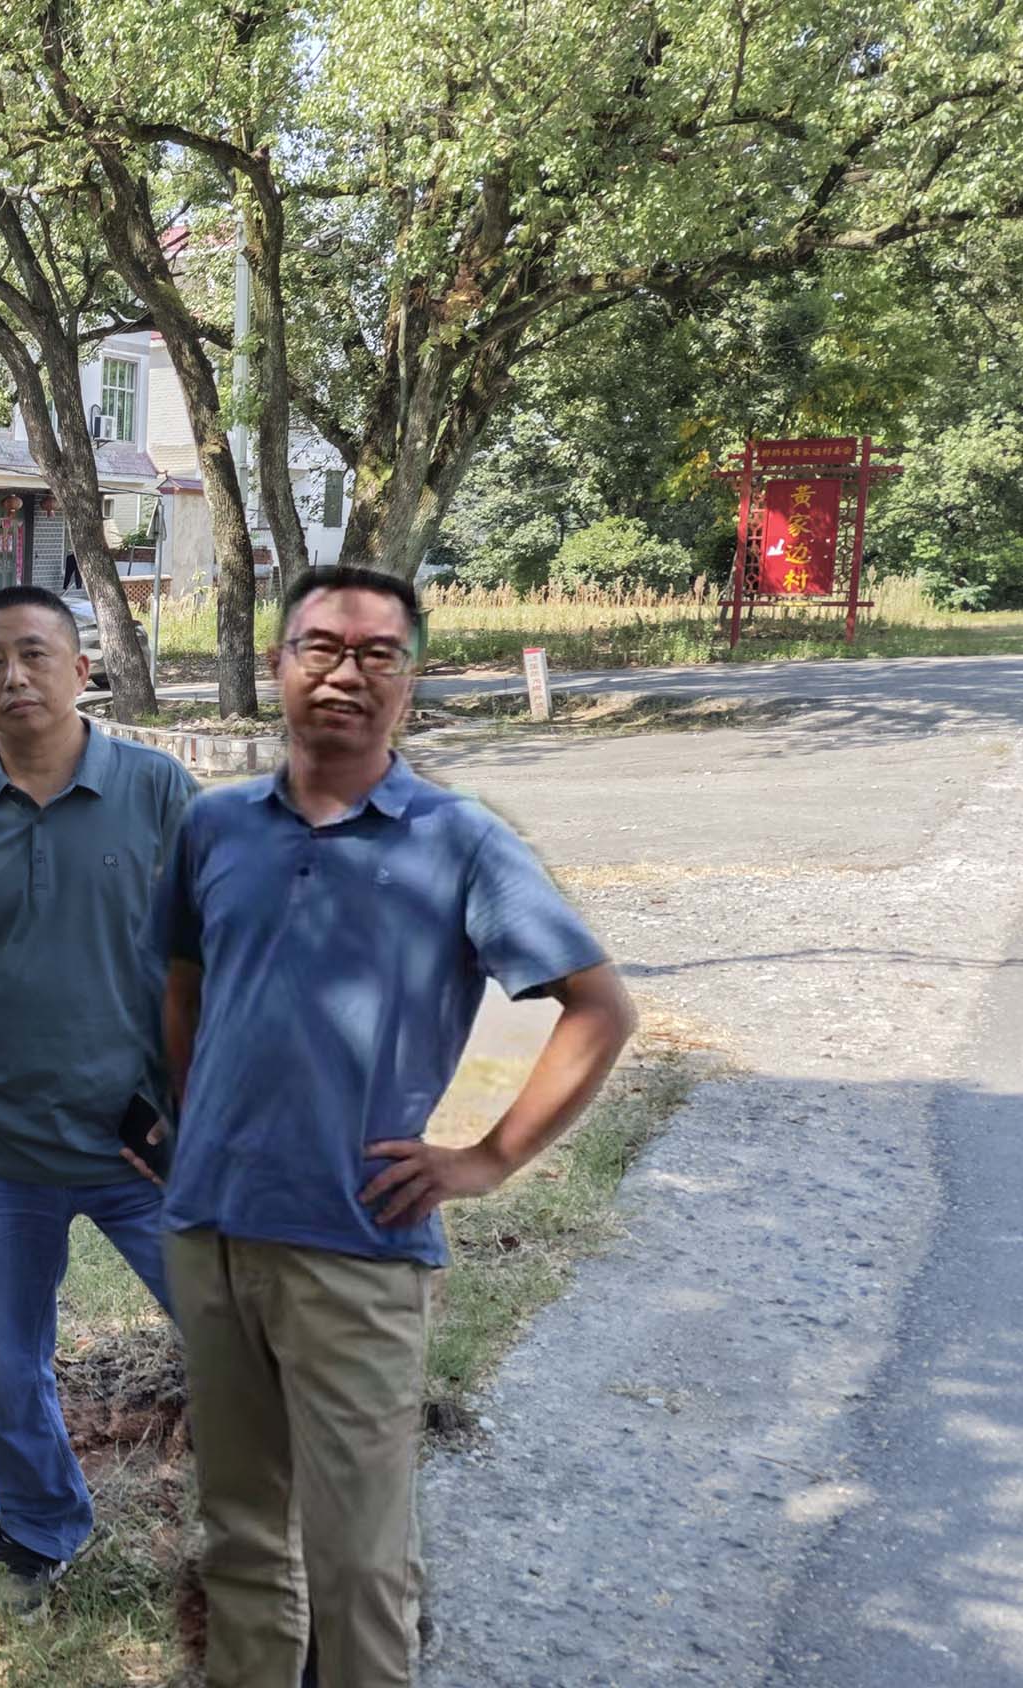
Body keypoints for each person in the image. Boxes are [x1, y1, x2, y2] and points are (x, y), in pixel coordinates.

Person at [155, 565, 636, 1688]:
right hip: (212, 1231)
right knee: (240, 1535)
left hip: (357, 1242)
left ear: (409, 682)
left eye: (377, 653)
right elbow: (183, 989)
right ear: (277, 665)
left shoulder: (458, 841)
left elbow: (600, 1007)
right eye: (321, 646)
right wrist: (197, 1124)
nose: (346, 672)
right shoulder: (215, 825)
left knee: (360, 1559)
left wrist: (489, 1158)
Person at [0, 583, 197, 1593]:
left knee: (234, 1332)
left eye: (34, 654)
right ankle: (41, 1526)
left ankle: (271, 1527)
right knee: (7, 1359)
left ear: (81, 668)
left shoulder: (159, 790)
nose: (13, 676)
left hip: (143, 1138)